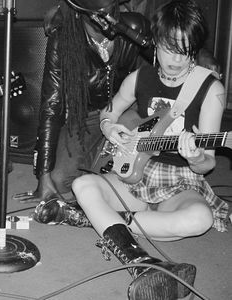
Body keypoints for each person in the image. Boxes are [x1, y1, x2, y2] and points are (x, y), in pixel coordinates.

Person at [32, 0, 229, 299]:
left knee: (200, 219)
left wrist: (197, 155)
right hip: (136, 175)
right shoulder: (140, 78)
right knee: (83, 184)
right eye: (168, 48)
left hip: (178, 181)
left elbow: (207, 165)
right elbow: (107, 112)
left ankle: (103, 224)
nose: (175, 59)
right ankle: (142, 262)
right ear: (156, 43)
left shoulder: (211, 90)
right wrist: (110, 127)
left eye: (185, 50)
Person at [12, 0, 219, 205]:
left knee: (128, 148)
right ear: (82, 11)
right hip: (90, 115)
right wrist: (44, 174)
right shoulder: (63, 40)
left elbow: (168, 45)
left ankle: (122, 182)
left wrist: (202, 54)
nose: (109, 19)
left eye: (112, 9)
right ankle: (108, 177)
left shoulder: (134, 27)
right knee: (59, 179)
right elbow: (52, 105)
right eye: (99, 13)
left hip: (134, 110)